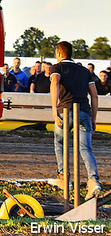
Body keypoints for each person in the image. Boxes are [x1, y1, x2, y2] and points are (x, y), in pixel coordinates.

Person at [48, 41, 101, 200]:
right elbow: (94, 95)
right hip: (84, 112)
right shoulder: (85, 71)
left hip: (66, 111)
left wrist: (53, 109)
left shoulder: (57, 68)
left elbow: (55, 82)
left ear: (58, 53)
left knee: (60, 142)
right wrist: (94, 117)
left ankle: (64, 178)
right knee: (85, 148)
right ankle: (93, 181)